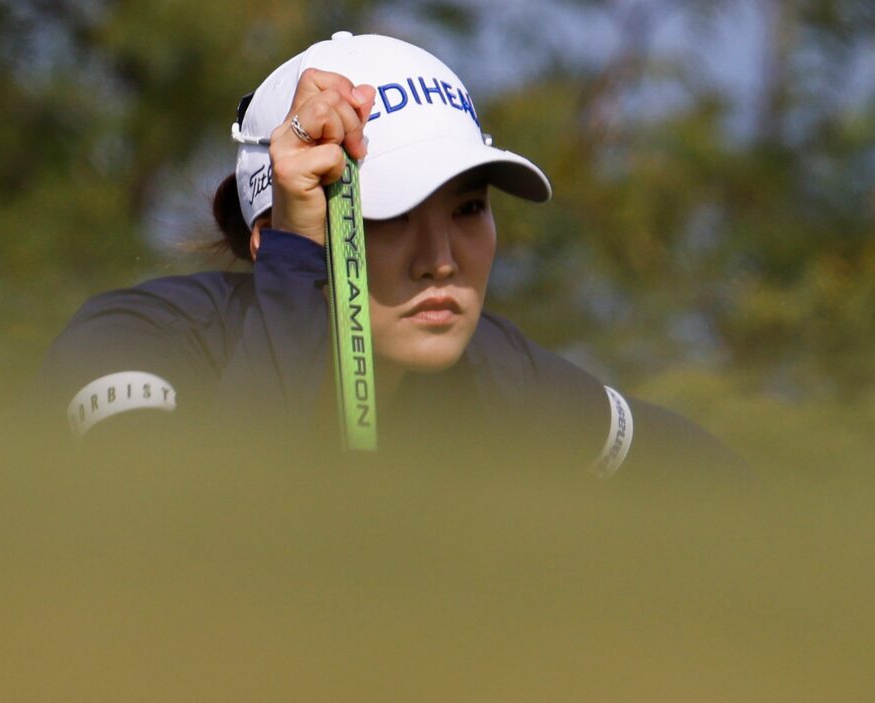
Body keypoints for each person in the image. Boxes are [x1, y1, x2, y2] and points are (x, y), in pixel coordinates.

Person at [42, 32, 733, 476]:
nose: (441, 260)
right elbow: (185, 554)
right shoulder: (132, 343)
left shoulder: (495, 374)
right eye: (388, 218)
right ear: (270, 237)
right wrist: (299, 261)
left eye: (468, 209)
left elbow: (714, 485)